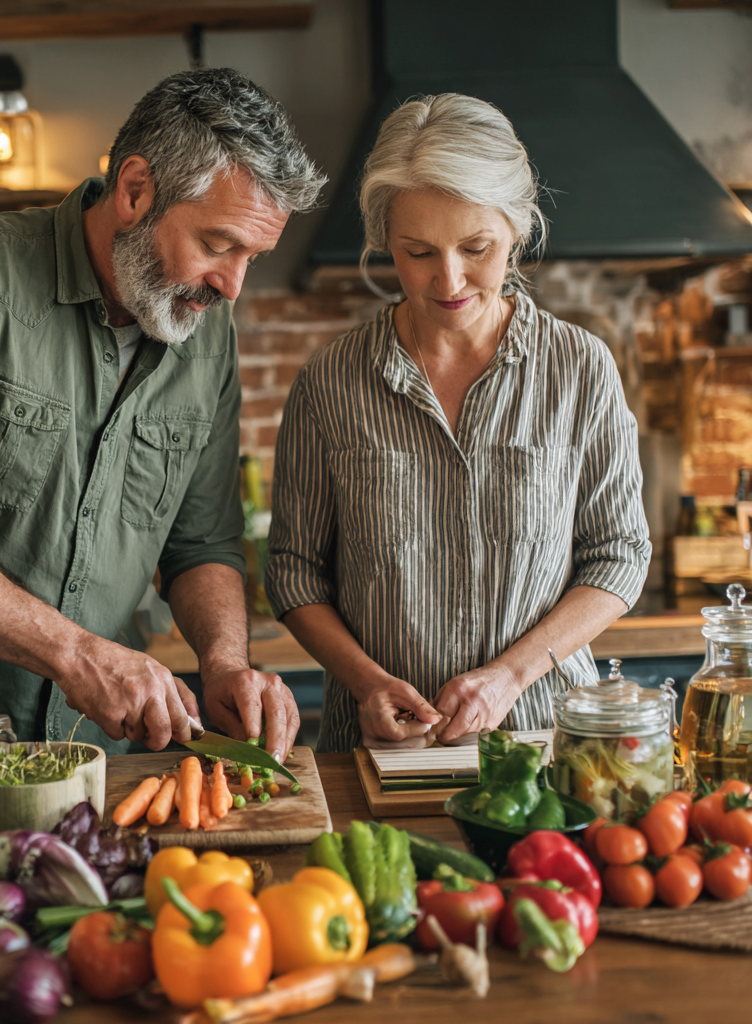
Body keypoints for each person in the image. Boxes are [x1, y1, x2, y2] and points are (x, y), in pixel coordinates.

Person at [0, 68, 326, 757]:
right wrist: (75, 654)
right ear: (135, 191)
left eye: (254, 256)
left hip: (98, 759)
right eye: (218, 245)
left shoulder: (206, 332)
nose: (233, 285)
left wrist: (223, 663)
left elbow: (202, 544)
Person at [265, 93, 651, 752]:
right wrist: (365, 682)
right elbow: (295, 571)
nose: (449, 280)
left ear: (518, 229)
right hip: (380, 748)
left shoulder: (579, 368)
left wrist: (509, 676)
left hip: (544, 744)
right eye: (418, 252)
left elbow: (619, 556)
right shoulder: (331, 380)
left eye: (476, 247)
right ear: (385, 238)